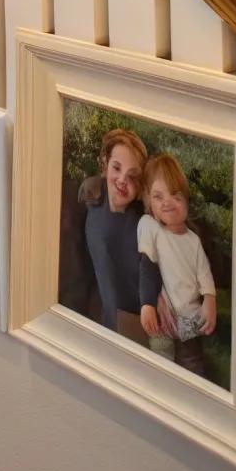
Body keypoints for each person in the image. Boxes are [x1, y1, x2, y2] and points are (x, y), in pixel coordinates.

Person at [74, 127, 164, 347]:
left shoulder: (144, 224)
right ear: (105, 165)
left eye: (133, 176)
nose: (123, 180)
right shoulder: (90, 197)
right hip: (101, 318)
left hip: (138, 325)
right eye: (117, 168)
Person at [138, 153, 217, 376]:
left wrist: (209, 300)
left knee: (193, 367)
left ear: (186, 200)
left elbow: (204, 274)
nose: (167, 203)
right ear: (149, 204)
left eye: (175, 195)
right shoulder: (151, 228)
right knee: (160, 366)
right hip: (162, 321)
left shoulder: (193, 240)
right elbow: (147, 267)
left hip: (191, 318)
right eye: (158, 197)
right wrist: (147, 305)